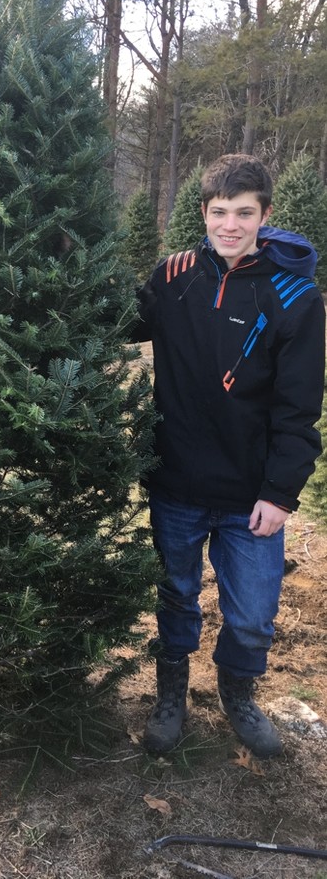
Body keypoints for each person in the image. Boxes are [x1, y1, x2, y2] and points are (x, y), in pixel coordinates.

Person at [134, 153, 325, 758]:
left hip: (251, 497)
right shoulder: (175, 275)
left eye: (245, 213)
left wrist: (280, 492)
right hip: (176, 482)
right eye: (220, 212)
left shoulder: (294, 296)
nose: (231, 225)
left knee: (252, 617)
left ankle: (238, 692)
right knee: (176, 595)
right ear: (204, 214)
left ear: (264, 215)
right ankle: (171, 694)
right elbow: (113, 322)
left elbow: (299, 408)